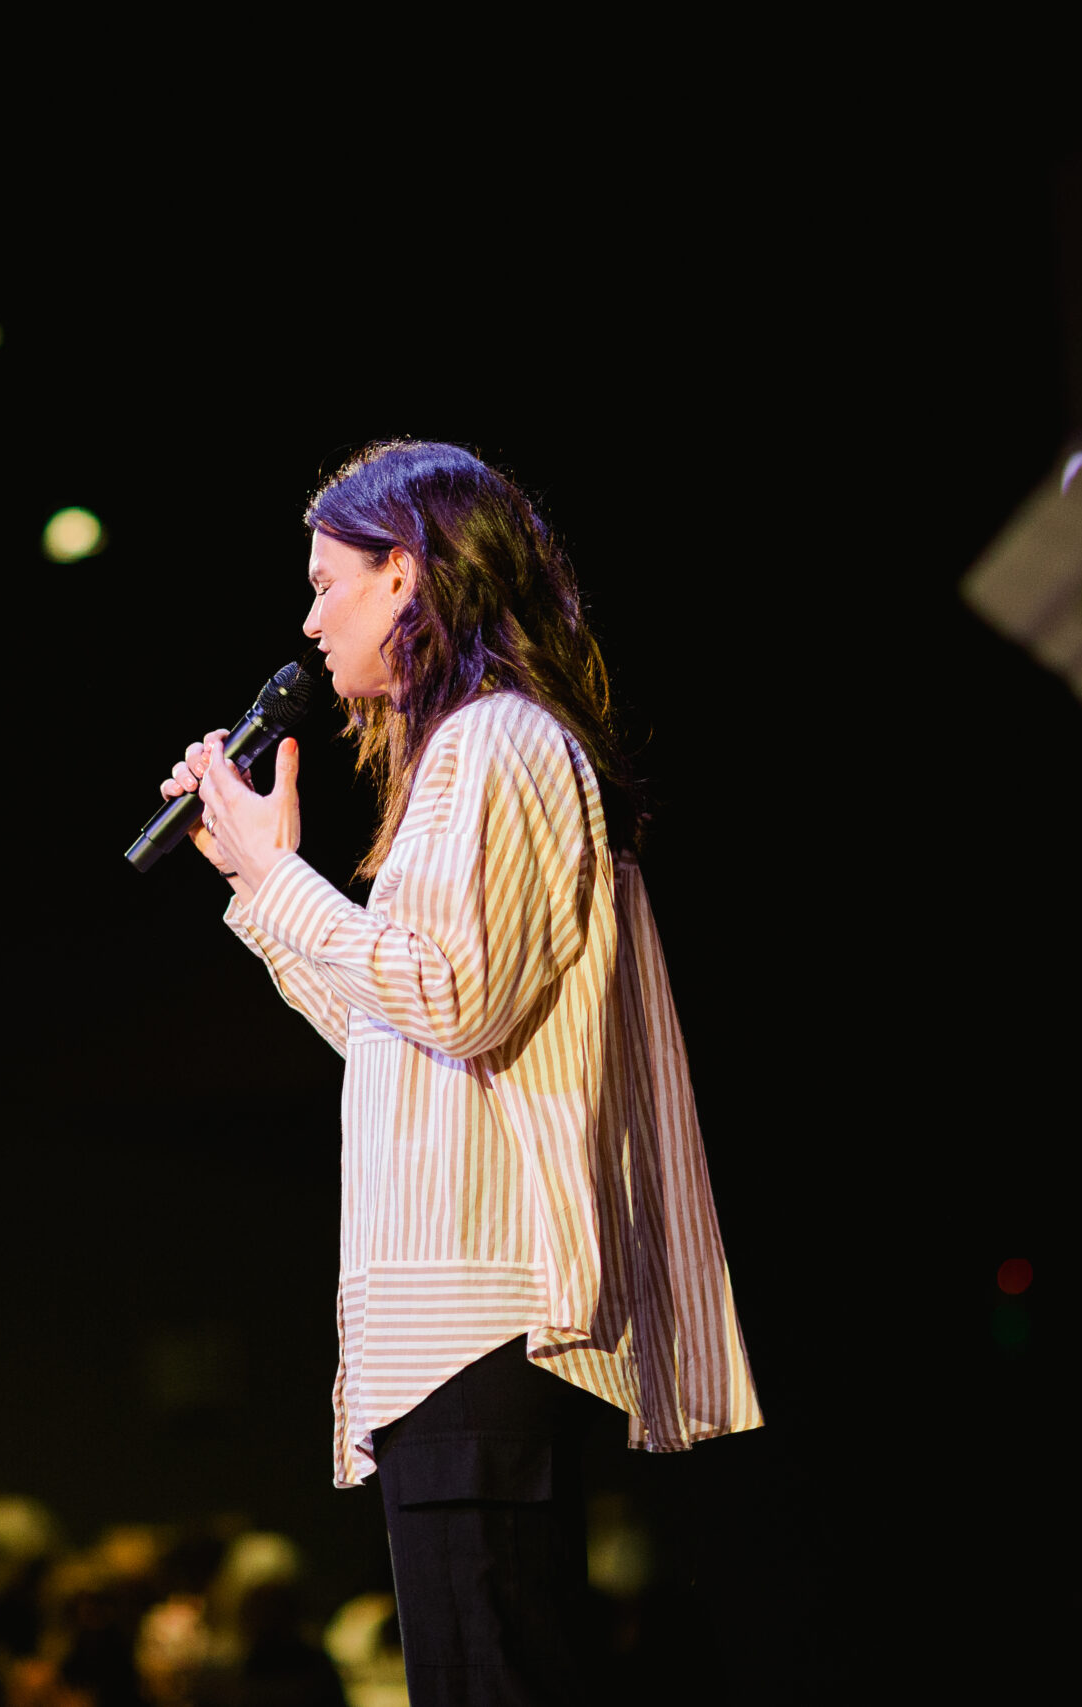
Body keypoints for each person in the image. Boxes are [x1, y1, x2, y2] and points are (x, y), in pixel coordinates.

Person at [157, 440, 763, 1705]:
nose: (310, 619)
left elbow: (446, 993)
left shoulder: (494, 742)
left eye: (329, 582)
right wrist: (257, 882)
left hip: (479, 1326)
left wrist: (284, 881)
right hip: (450, 1335)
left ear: (408, 574)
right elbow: (408, 1028)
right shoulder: (470, 753)